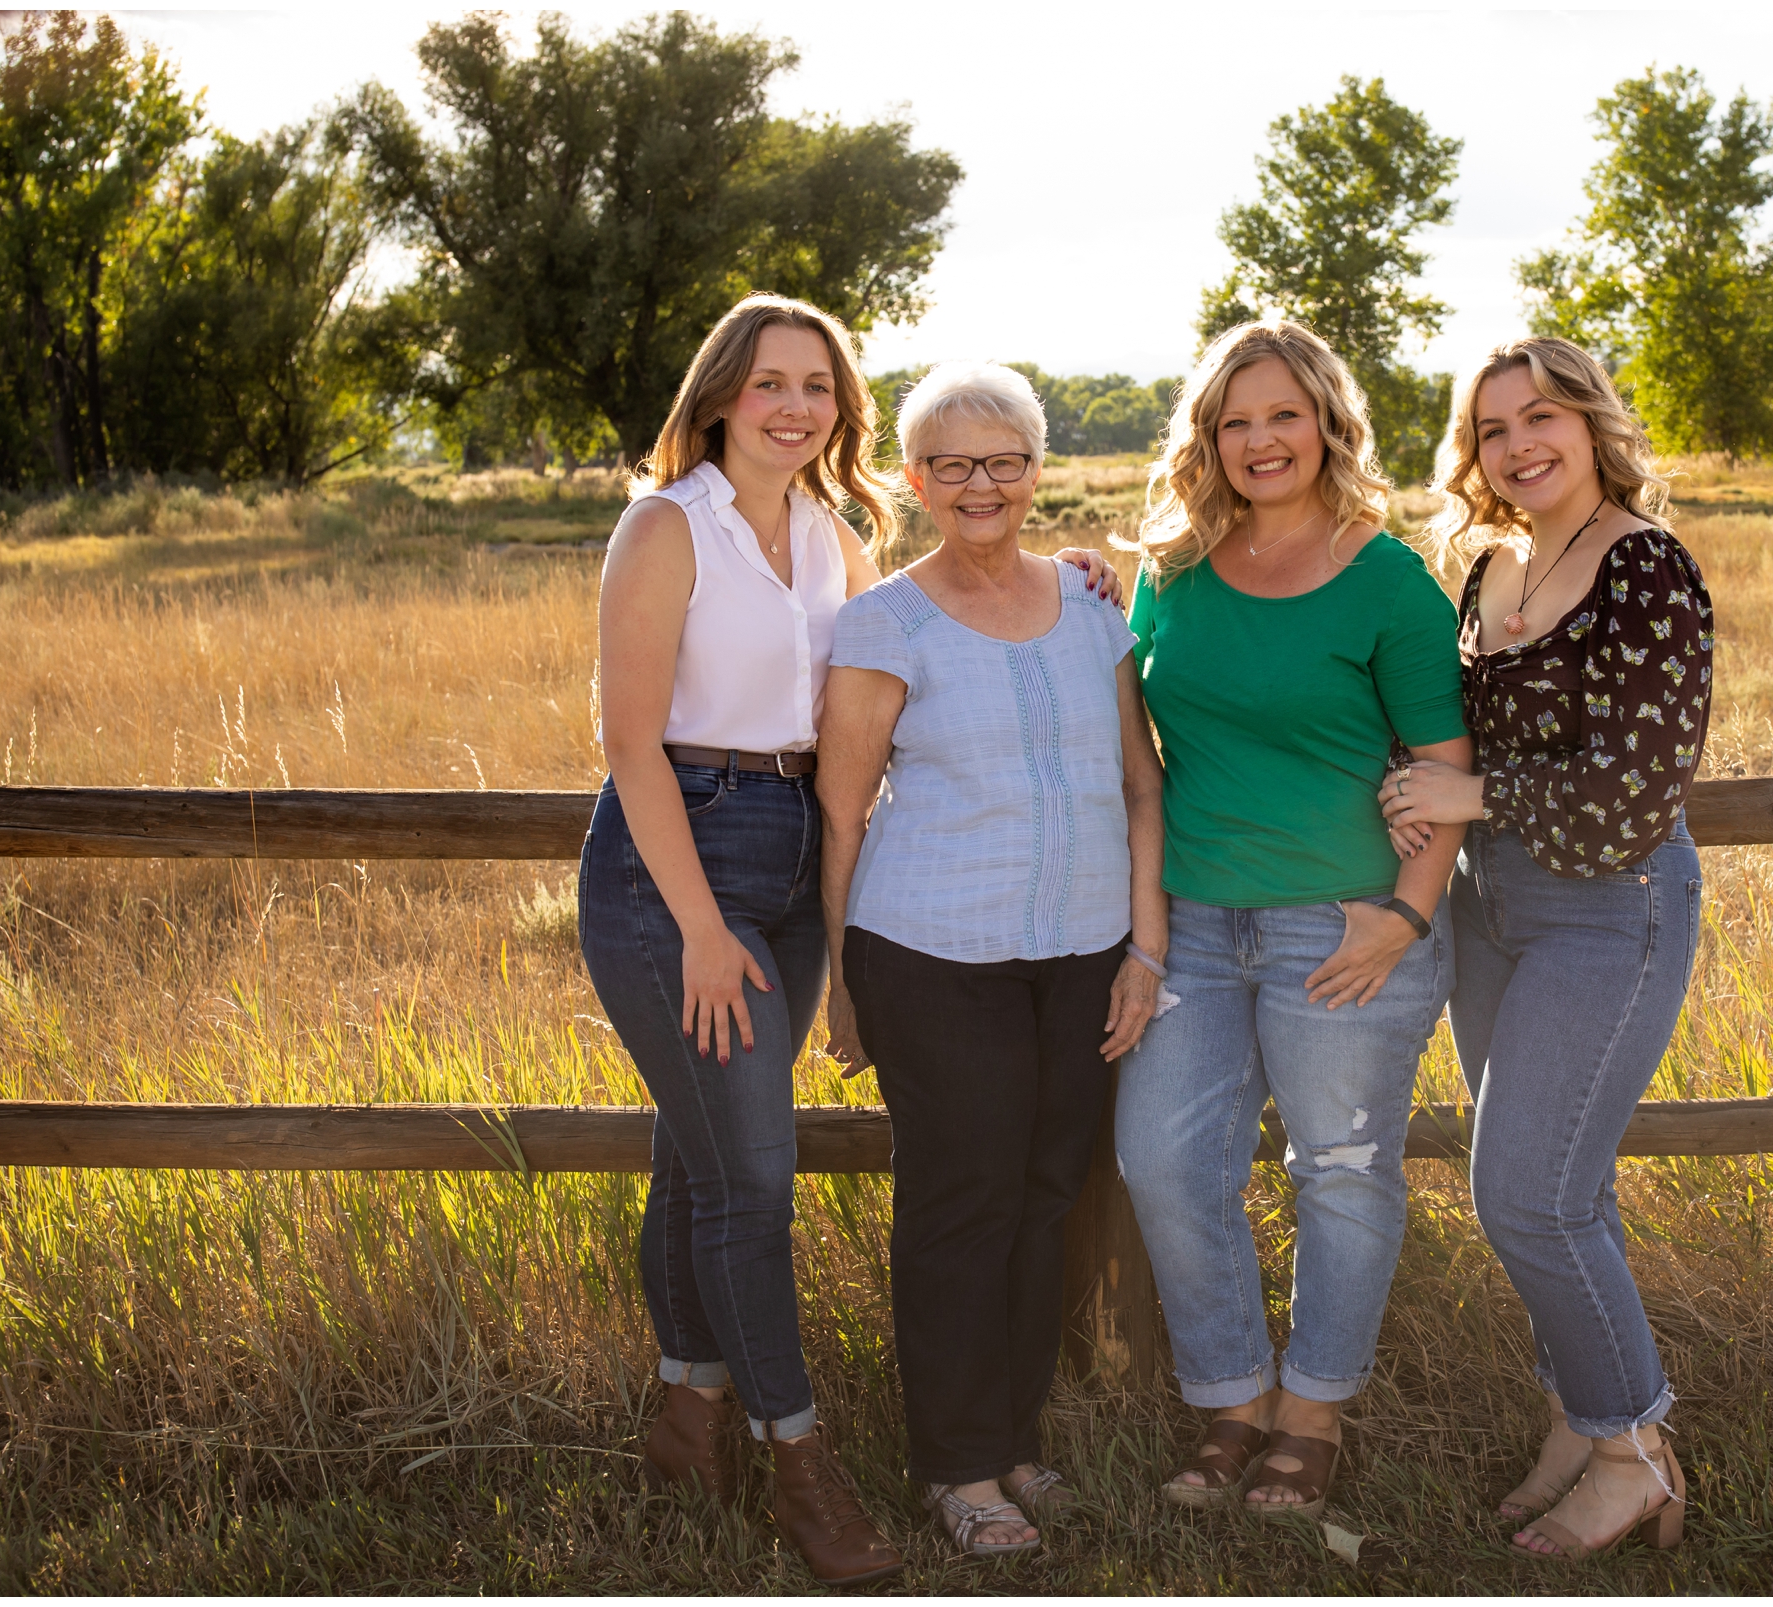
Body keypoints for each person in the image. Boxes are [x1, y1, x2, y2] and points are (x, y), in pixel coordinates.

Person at [576, 298, 1118, 1585]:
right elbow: (629, 744)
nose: (795, 405)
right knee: (753, 1180)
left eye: (817, 385)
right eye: (769, 382)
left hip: (792, 844)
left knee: (697, 1153)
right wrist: (702, 927)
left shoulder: (833, 537)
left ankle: (686, 1410)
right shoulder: (668, 525)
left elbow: (931, 640)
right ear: (720, 396)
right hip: (680, 860)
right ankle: (801, 1458)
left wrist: (1099, 569)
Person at [1112, 320, 1473, 1516]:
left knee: (1344, 1168)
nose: (1261, 440)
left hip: (1346, 924)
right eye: (1235, 421)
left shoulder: (1388, 579)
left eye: (1283, 415)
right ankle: (1231, 1396)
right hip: (1196, 927)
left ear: (1328, 422)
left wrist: (1404, 919)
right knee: (1162, 1155)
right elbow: (1131, 723)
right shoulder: (1172, 572)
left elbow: (1442, 764)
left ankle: (1312, 1412)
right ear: (1207, 440)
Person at [816, 361, 1168, 1557]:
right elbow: (843, 814)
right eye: (953, 463)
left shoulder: (1092, 609)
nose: (981, 483)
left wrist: (1144, 949)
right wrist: (839, 984)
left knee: (1043, 1195)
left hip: (1082, 954)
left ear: (1035, 472)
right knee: (962, 1200)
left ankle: (1017, 1441)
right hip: (930, 950)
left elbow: (1138, 784)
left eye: (1004, 461)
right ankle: (958, 1468)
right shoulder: (885, 621)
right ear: (914, 479)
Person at [1379, 336, 1714, 1560]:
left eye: (1542, 418)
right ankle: (1580, 1423)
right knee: (1571, 1187)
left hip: (1608, 907)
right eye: (1492, 428)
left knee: (1524, 1192)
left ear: (1591, 422)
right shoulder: (1488, 567)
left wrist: (1474, 799)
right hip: (1491, 910)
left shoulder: (1647, 569)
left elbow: (1638, 785)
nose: (1518, 446)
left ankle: (1633, 1448)